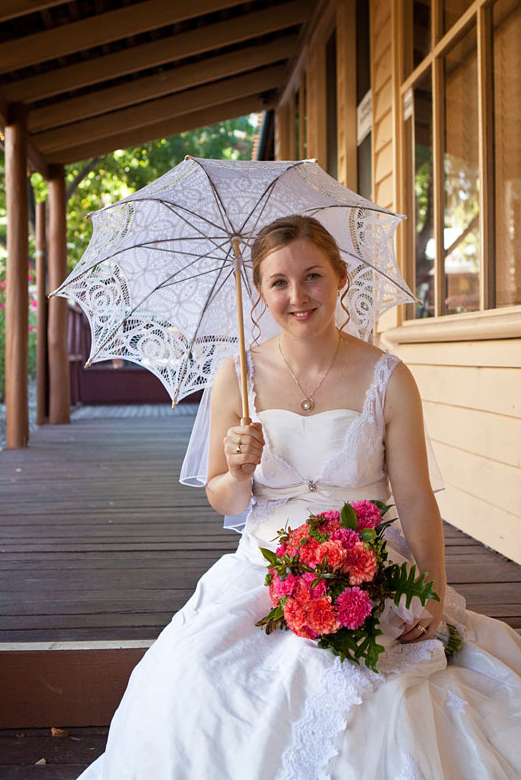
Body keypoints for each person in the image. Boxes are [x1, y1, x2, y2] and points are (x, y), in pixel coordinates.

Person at [78, 216, 521, 780]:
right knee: (198, 676)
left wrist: (430, 589)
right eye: (278, 283)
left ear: (340, 277)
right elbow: (225, 499)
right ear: (260, 293)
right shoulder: (237, 375)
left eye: (312, 276)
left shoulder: (389, 376)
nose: (297, 295)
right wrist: (238, 470)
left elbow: (413, 497)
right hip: (262, 569)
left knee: (390, 701)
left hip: (371, 568)